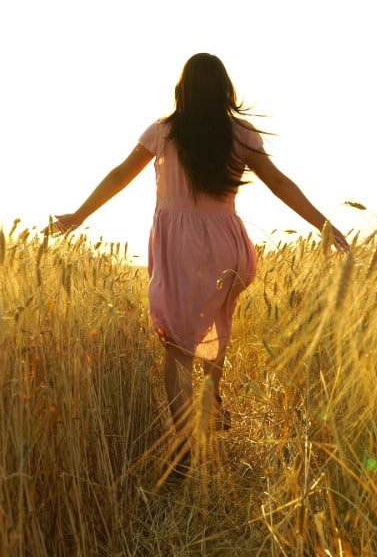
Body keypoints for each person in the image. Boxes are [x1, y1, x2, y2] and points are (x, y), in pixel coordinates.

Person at [43, 52, 349, 471]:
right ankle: (213, 398)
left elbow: (119, 175)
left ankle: (185, 442)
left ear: (182, 89)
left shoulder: (164, 132)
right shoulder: (240, 135)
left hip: (179, 246)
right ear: (226, 91)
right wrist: (322, 222)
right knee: (214, 325)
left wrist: (78, 215)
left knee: (175, 345)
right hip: (226, 244)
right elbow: (278, 182)